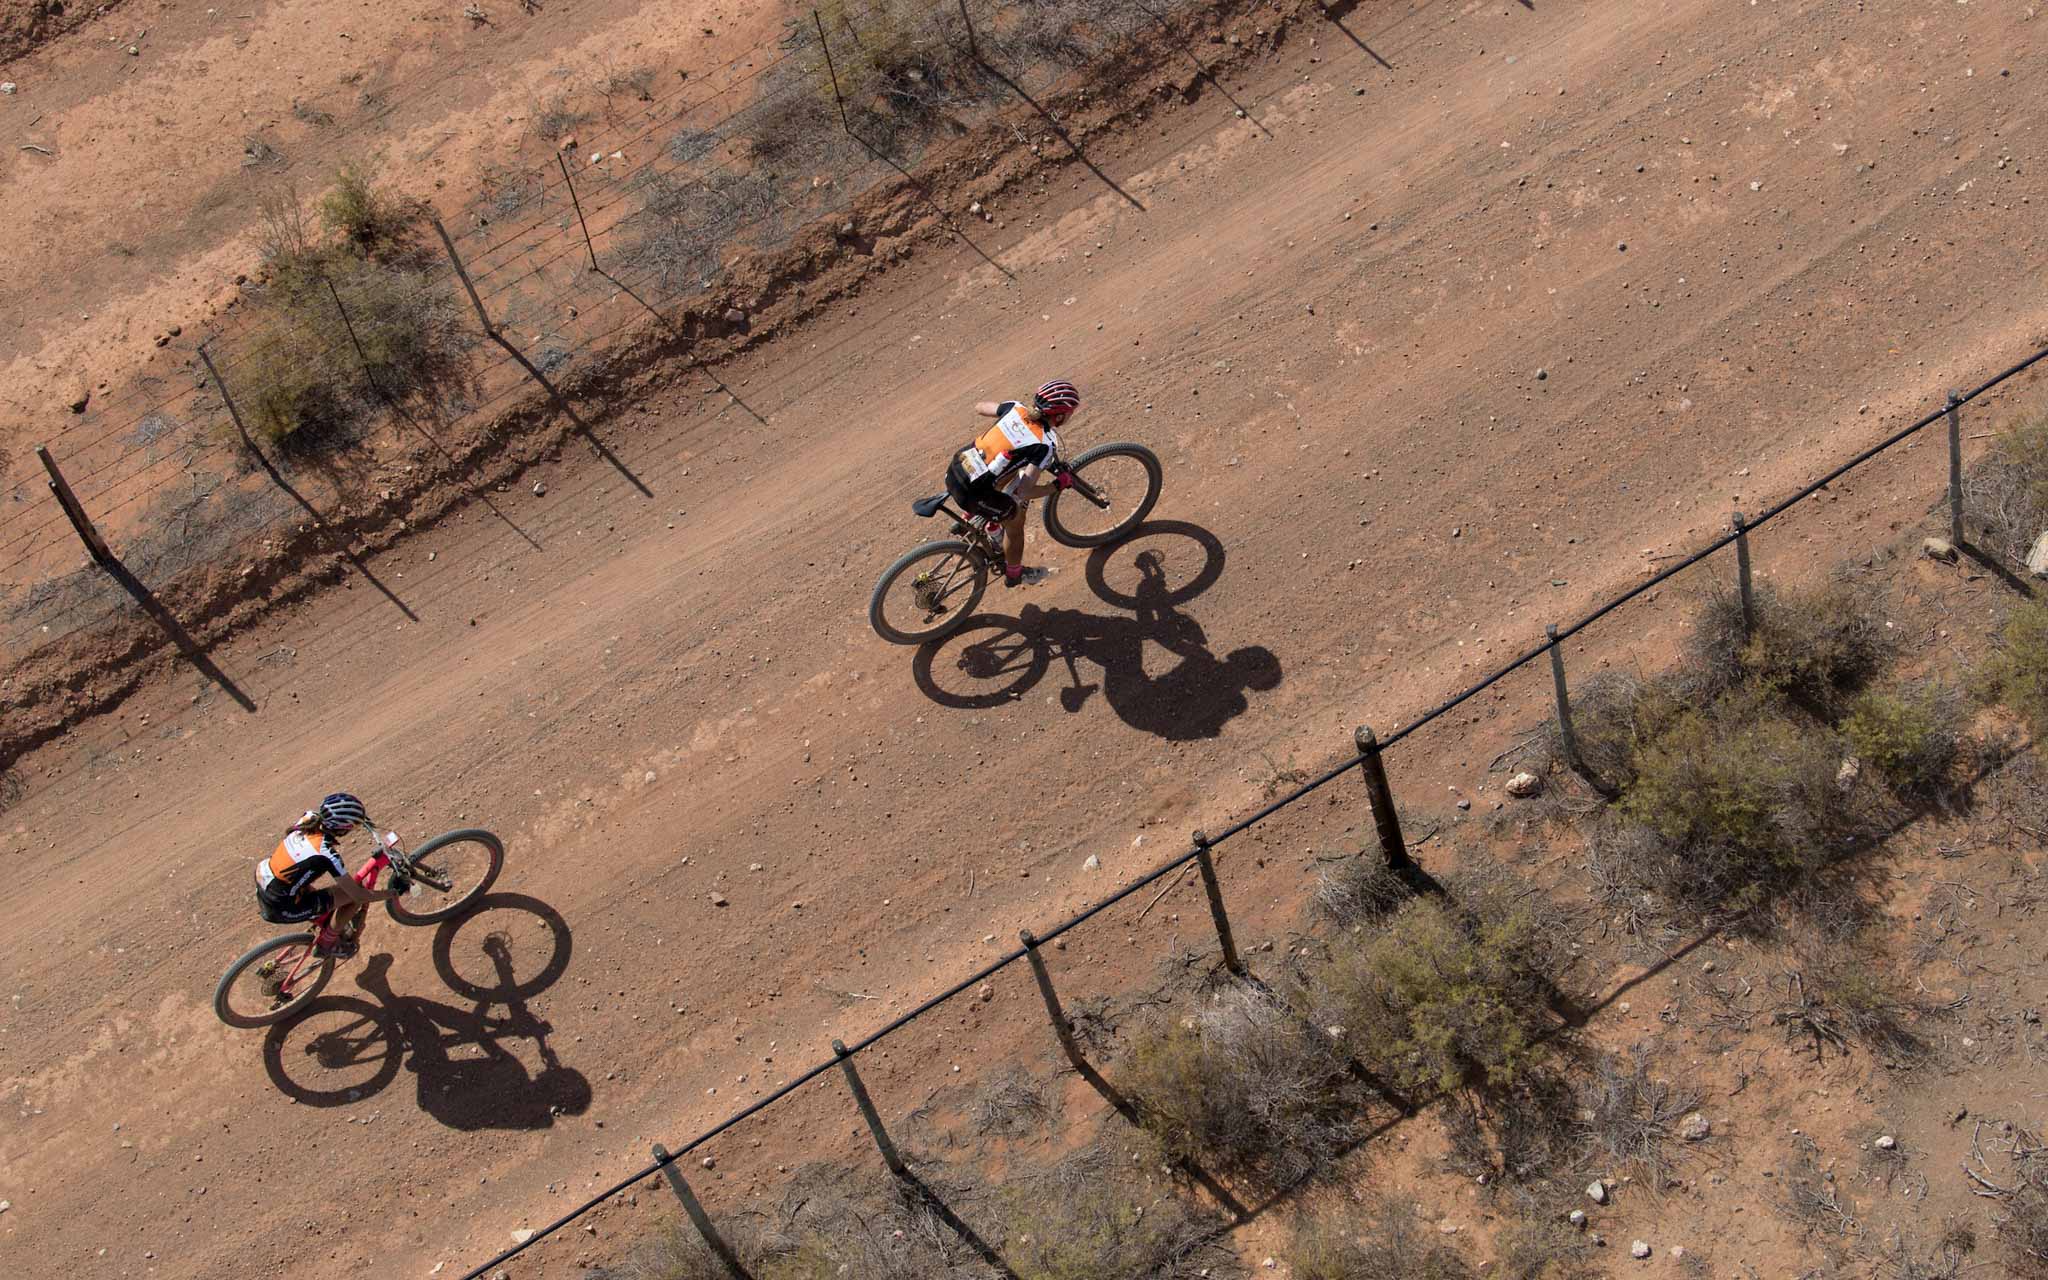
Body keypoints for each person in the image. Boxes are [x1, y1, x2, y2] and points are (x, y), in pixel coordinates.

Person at [946, 379, 1082, 586]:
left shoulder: (1015, 408)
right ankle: (1015, 574)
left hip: (957, 468)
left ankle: (973, 520)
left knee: (1003, 466)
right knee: (1016, 525)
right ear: (1060, 416)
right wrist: (1056, 486)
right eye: (1070, 412)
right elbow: (1024, 491)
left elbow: (980, 407)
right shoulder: (1044, 445)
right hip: (970, 493)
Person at [252, 792, 407, 959]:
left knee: (328, 895)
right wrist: (392, 893)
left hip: (267, 880)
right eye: (352, 826)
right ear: (342, 829)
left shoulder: (309, 819)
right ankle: (328, 944)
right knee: (354, 895)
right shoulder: (325, 854)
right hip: (281, 906)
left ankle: (325, 918)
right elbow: (359, 896)